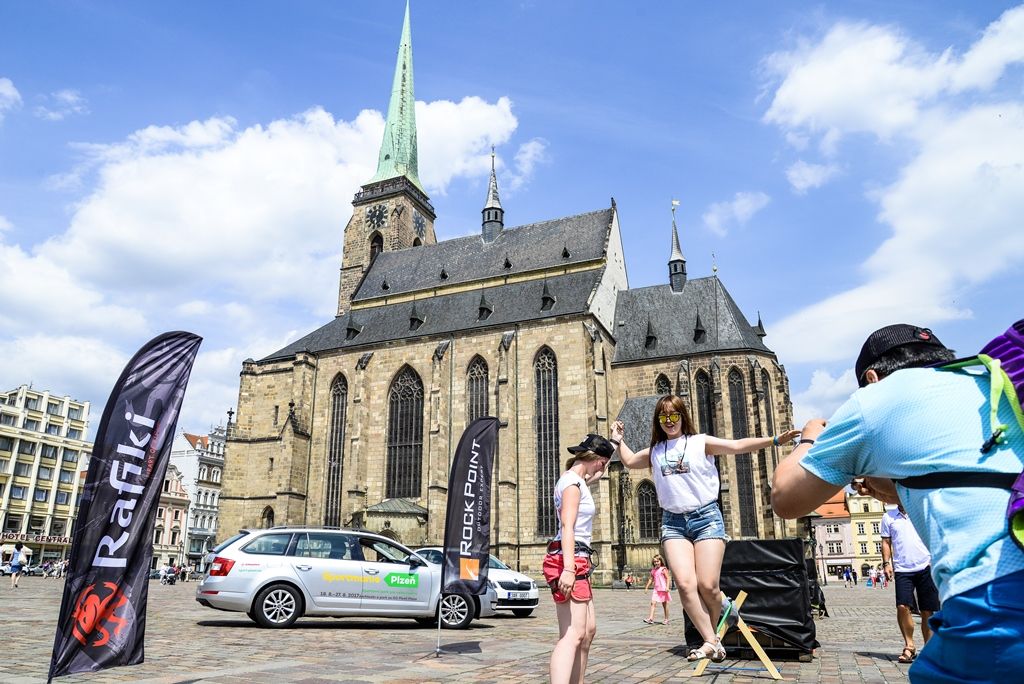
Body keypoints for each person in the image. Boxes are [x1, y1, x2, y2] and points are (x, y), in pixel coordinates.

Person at [771, 322, 1024, 684]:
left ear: (872, 377)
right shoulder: (994, 377)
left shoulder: (876, 398)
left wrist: (810, 438)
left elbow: (785, 499)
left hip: (999, 604)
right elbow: (963, 472)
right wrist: (893, 487)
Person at [611, 396, 799, 662]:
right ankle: (711, 641)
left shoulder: (700, 442)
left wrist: (775, 440)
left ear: (682, 416)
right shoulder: (656, 451)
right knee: (686, 586)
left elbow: (736, 446)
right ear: (658, 421)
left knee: (707, 585)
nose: (669, 421)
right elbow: (629, 461)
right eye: (663, 417)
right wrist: (617, 440)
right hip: (673, 523)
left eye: (673, 416)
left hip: (706, 518)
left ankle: (723, 605)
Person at [544, 433, 614, 684]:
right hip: (569, 559)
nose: (603, 469)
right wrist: (570, 569)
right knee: (572, 634)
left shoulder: (577, 479)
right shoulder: (572, 486)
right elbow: (567, 526)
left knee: (587, 631)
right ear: (598, 460)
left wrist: (613, 443)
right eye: (604, 463)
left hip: (574, 558)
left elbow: (598, 474)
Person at [881, 504, 939, 664]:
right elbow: (886, 542)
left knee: (927, 610)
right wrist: (887, 563)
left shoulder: (922, 511)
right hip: (902, 568)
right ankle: (909, 646)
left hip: (925, 565)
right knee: (902, 606)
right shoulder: (888, 517)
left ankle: (928, 650)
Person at [643, 554, 672, 625]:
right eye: (655, 562)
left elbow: (668, 578)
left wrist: (667, 587)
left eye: (657, 561)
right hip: (656, 589)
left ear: (661, 561)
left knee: (664, 604)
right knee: (653, 603)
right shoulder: (653, 570)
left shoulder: (663, 569)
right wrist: (646, 587)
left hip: (663, 589)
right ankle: (650, 618)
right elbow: (651, 579)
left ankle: (666, 619)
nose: (656, 563)